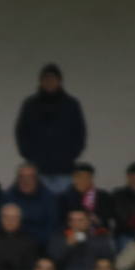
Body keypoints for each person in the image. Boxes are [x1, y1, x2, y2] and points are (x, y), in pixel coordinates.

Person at [14, 63, 86, 193]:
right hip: (37, 169)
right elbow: (21, 132)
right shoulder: (30, 105)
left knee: (63, 207)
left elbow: (80, 133)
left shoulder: (71, 105)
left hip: (65, 169)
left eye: (53, 79)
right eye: (46, 79)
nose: (49, 82)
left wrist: (71, 155)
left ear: (59, 81)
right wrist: (29, 155)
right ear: (40, 81)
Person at [49, 207, 116, 270]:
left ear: (88, 222)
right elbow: (53, 261)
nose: (76, 223)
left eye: (80, 220)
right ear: (68, 223)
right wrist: (67, 245)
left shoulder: (100, 239)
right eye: (72, 220)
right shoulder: (59, 238)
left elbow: (108, 261)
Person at [3, 162, 59, 248]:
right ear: (17, 179)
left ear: (36, 179)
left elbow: (52, 228)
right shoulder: (7, 196)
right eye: (22, 177)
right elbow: (1, 224)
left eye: (30, 177)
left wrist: (30, 241)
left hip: (40, 245)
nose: (26, 181)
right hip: (12, 244)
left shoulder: (49, 198)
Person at [61, 162, 117, 235]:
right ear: (74, 178)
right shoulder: (64, 198)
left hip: (98, 234)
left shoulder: (103, 196)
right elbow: (61, 221)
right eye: (80, 177)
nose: (84, 180)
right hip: (72, 234)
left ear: (92, 178)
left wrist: (97, 220)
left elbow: (108, 217)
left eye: (87, 177)